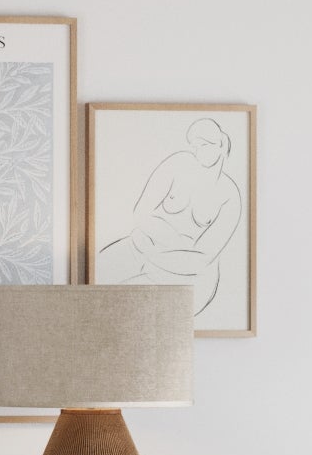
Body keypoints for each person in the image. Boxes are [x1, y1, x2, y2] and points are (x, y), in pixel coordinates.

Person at [97, 117, 242, 317]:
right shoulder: (178, 164)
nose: (199, 150)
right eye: (195, 145)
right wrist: (173, 243)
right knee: (93, 274)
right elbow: (140, 213)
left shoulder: (230, 195)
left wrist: (159, 248)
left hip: (188, 277)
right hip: (139, 248)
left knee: (118, 309)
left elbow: (203, 258)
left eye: (205, 144)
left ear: (221, 146)